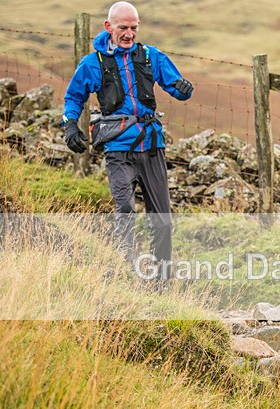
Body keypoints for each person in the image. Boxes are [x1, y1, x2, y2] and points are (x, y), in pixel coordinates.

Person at [62, 1, 194, 279]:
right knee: (125, 210)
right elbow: (73, 97)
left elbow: (177, 88)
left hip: (152, 145)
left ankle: (161, 280)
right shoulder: (93, 63)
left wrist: (184, 89)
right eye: (123, 27)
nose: (129, 34)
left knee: (163, 221)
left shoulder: (151, 56)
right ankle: (125, 273)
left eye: (134, 28)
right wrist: (70, 124)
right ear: (108, 26)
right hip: (118, 149)